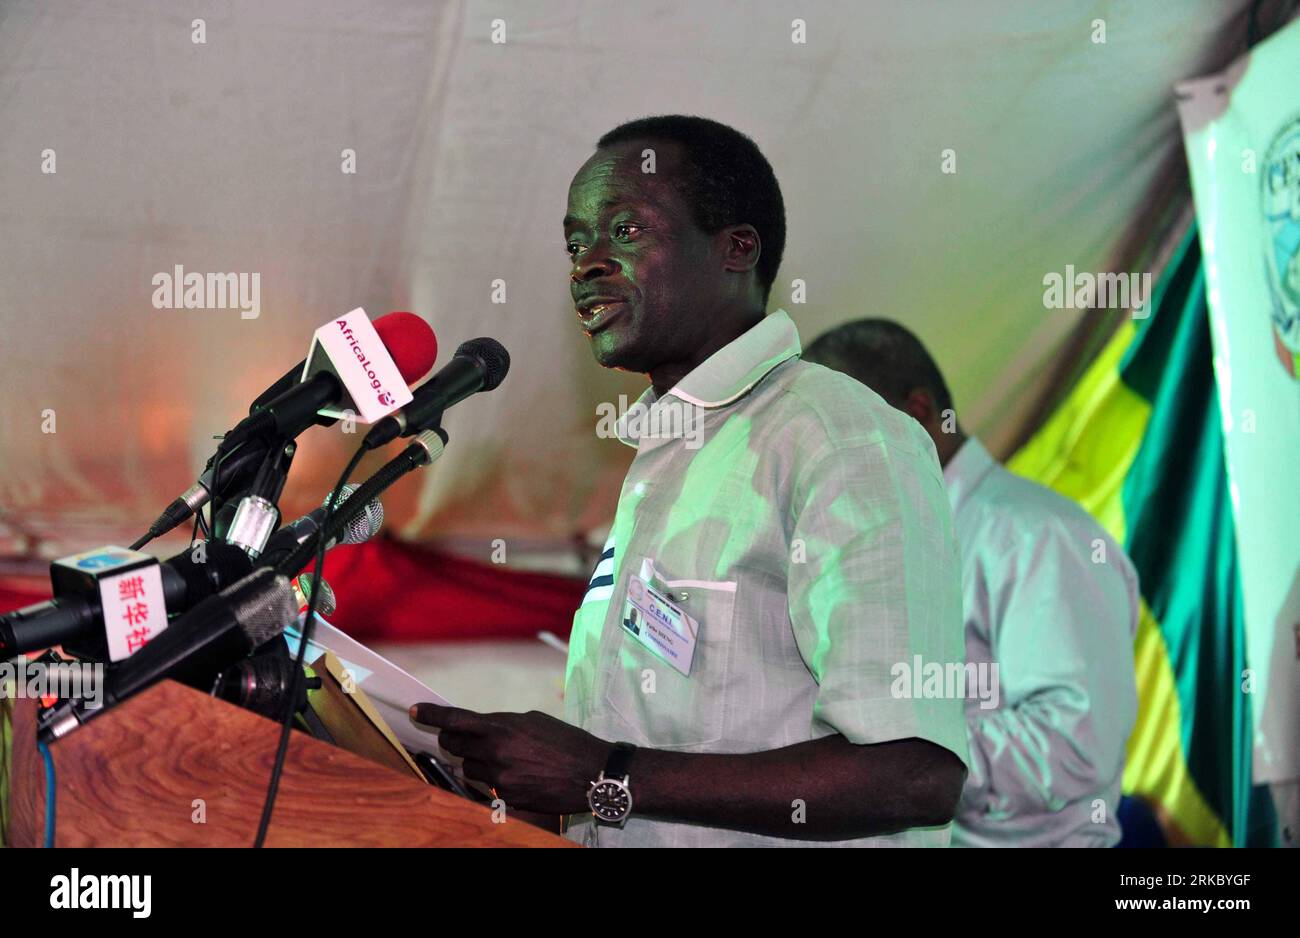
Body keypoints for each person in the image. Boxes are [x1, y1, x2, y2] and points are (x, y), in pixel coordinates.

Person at [409, 116, 969, 847]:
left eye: (626, 232)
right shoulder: (664, 459)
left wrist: (605, 773)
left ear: (737, 249)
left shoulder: (838, 435)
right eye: (576, 243)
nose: (587, 265)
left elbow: (914, 772)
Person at [803, 319, 1140, 847]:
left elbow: (1075, 744)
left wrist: (896, 763)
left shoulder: (1037, 537)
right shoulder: (885, 545)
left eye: (848, 438)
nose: (830, 467)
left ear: (917, 415)